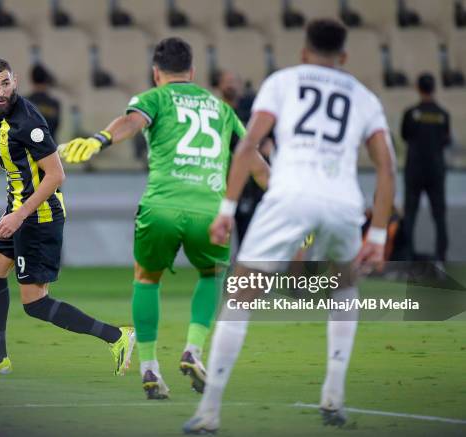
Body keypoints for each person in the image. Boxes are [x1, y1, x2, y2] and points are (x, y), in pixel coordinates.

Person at [184, 19, 395, 433]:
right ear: (345, 57)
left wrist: (226, 209)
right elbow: (386, 167)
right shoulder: (365, 96)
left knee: (240, 293)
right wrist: (378, 234)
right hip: (342, 202)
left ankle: (209, 411)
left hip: (290, 194)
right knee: (345, 285)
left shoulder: (283, 81)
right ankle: (333, 396)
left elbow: (248, 146)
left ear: (303, 52)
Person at [60, 38, 270, 399]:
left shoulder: (153, 98)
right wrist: (286, 209)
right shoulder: (221, 108)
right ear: (192, 72)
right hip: (210, 209)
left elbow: (131, 122)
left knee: (146, 279)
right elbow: (257, 165)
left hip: (161, 207)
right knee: (213, 273)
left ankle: (149, 368)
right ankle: (193, 350)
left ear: (157, 73)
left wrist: (99, 140)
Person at [0, 57, 134, 377]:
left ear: (15, 81)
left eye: (5, 83)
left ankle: (117, 336)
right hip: (18, 210)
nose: (0, 91)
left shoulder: (27, 122)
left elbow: (56, 175)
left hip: (38, 217)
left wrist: (19, 215)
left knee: (35, 304)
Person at [216, 70, 273, 245]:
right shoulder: (215, 114)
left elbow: (266, 140)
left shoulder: (252, 114)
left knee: (248, 235)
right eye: (227, 81)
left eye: (234, 80)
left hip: (251, 185)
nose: (230, 84)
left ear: (241, 86)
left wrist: (268, 143)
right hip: (220, 183)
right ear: (219, 86)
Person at [401, 73, 450, 262]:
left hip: (414, 169)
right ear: (434, 88)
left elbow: (405, 136)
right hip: (436, 170)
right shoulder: (442, 114)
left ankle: (407, 254)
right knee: (439, 214)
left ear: (418, 88)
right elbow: (445, 140)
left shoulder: (411, 113)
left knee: (410, 213)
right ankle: (441, 254)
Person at [28, 64, 61, 141]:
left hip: (31, 149)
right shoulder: (54, 104)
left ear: (32, 79)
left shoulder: (25, 103)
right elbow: (55, 126)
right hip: (51, 148)